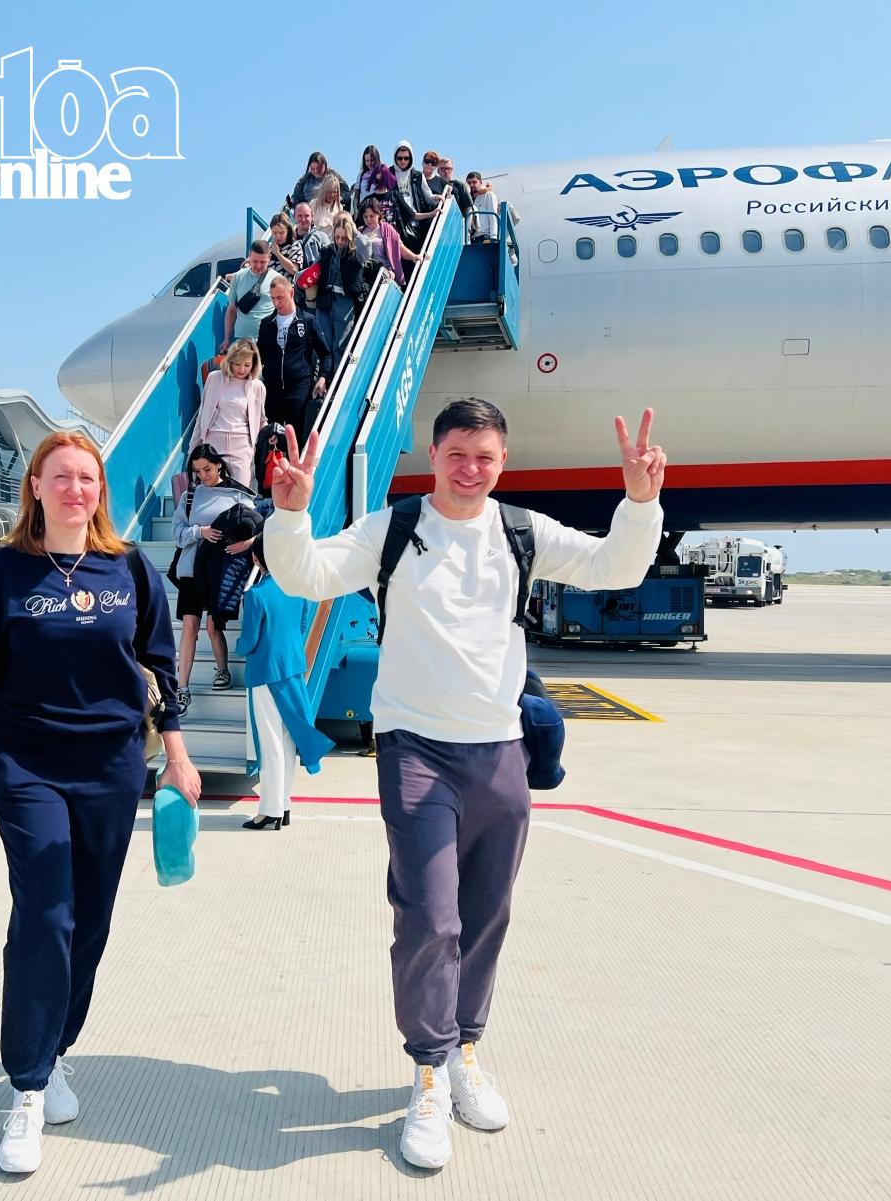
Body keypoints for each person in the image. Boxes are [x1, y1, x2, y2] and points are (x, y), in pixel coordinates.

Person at [263, 399, 666, 1172]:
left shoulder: (520, 531)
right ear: (435, 454)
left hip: (499, 751)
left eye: (484, 456)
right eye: (456, 453)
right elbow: (307, 575)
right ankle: (426, 1067)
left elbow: (615, 566)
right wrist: (290, 516)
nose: (469, 468)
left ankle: (465, 1052)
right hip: (415, 748)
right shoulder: (394, 527)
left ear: (502, 460)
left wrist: (639, 502)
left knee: (485, 915)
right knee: (429, 914)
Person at [0, 431, 200, 1177]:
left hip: (110, 768)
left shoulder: (130, 566)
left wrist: (175, 752)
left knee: (90, 922)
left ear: (100, 489)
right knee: (45, 912)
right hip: (27, 765)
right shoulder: (4, 573)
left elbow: (162, 669)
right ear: (35, 486)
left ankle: (56, 1048)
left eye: (88, 477)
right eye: (62, 476)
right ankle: (28, 1086)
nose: (77, 488)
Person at [236, 537, 334, 830]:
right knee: (288, 738)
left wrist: (237, 647)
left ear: (256, 560)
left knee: (269, 742)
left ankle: (270, 810)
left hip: (265, 672)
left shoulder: (256, 595)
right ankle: (284, 805)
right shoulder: (297, 589)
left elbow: (249, 642)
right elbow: (302, 627)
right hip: (293, 668)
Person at [170, 443, 258, 705]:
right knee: (189, 626)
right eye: (197, 471)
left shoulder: (238, 495)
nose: (202, 475)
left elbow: (259, 529)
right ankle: (181, 689)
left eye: (206, 469)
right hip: (190, 571)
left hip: (219, 571)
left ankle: (223, 669)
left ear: (218, 464)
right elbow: (177, 533)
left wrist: (245, 544)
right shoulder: (188, 498)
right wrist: (200, 531)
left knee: (212, 627)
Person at [257, 275, 331, 446]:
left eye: (280, 297)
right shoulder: (267, 324)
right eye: (273, 298)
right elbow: (259, 356)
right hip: (272, 389)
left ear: (291, 293)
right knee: (270, 438)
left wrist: (323, 377)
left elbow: (325, 353)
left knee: (294, 438)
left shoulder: (307, 321)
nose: (276, 303)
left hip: (299, 388)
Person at [191, 338, 266, 488]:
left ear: (254, 365)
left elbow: (261, 420)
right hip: (214, 442)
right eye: (237, 364)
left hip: (242, 445)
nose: (242, 369)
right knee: (212, 492)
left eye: (247, 365)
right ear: (230, 361)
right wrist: (192, 448)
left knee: (241, 492)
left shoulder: (257, 387)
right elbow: (202, 416)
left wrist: (269, 436)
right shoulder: (214, 378)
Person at [314, 213, 366, 361]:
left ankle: (338, 377)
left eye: (344, 238)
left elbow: (367, 249)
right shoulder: (326, 251)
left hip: (344, 300)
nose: (340, 241)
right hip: (325, 298)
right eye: (337, 237)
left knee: (341, 343)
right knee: (325, 342)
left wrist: (355, 231)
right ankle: (326, 379)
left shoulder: (355, 253)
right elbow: (313, 270)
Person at [222, 240, 275, 353]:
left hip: (267, 338)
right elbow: (231, 310)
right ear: (249, 255)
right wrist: (227, 338)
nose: (258, 266)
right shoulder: (237, 277)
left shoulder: (276, 279)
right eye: (255, 261)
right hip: (242, 338)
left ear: (269, 258)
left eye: (263, 262)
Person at [356, 198, 423, 289]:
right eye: (365, 216)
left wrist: (414, 256)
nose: (368, 219)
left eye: (372, 216)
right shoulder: (360, 231)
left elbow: (400, 248)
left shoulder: (388, 229)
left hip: (385, 272)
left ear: (379, 215)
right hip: (366, 274)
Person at [392, 140, 437, 252]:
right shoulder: (389, 174)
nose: (403, 161)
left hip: (416, 222)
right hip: (397, 223)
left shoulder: (417, 175)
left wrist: (437, 197)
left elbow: (428, 196)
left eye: (406, 158)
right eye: (400, 158)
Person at [467, 171, 499, 243]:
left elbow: (493, 216)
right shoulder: (468, 199)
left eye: (474, 182)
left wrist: (494, 237)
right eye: (469, 183)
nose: (471, 185)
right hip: (471, 239)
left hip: (484, 236)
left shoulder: (488, 195)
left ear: (480, 182)